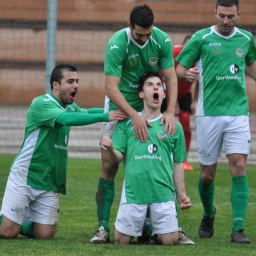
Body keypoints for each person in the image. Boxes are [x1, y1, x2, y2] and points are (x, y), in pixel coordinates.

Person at [0, 64, 126, 239]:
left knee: (45, 234)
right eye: (70, 81)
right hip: (26, 176)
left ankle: (17, 221)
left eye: (77, 81)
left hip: (49, 180)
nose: (75, 85)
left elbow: (85, 111)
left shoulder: (70, 106)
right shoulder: (41, 103)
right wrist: (105, 117)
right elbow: (66, 119)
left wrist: (122, 111)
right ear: (55, 85)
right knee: (7, 232)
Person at [175, 0, 256, 244]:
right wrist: (186, 74)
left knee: (239, 165)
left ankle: (238, 228)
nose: (226, 21)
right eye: (222, 16)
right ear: (214, 13)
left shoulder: (246, 38)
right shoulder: (201, 37)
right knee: (207, 174)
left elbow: (249, 61)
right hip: (209, 114)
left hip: (238, 112)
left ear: (239, 14)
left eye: (231, 16)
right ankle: (209, 214)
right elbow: (178, 69)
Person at [91, 4, 180, 243]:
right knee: (109, 166)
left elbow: (170, 76)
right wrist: (133, 115)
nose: (144, 38)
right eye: (140, 34)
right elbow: (110, 86)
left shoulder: (161, 39)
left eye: (148, 34)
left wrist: (170, 111)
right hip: (121, 108)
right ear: (129, 26)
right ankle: (102, 227)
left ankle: (162, 225)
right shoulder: (117, 43)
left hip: (150, 107)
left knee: (157, 163)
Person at [100, 71, 191, 245]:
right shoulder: (127, 123)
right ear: (141, 94)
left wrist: (182, 195)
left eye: (159, 85)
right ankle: (146, 227)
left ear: (164, 94)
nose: (155, 87)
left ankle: (150, 226)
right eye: (150, 85)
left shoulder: (174, 126)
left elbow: (178, 163)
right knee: (120, 241)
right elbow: (119, 157)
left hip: (163, 193)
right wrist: (111, 148)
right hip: (134, 193)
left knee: (170, 241)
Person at [173, 34, 198, 171]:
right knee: (163, 122)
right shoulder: (174, 53)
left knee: (185, 120)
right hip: (168, 91)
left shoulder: (200, 57)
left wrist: (195, 101)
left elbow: (201, 80)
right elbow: (163, 73)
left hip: (185, 93)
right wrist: (171, 101)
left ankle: (184, 160)